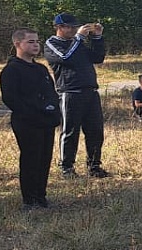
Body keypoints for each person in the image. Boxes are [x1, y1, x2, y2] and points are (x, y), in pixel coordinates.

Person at [0, 28, 61, 210]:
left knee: (44, 158)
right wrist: (31, 113)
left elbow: (51, 92)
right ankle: (29, 199)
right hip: (27, 122)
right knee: (30, 159)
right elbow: (10, 98)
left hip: (46, 121)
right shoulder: (11, 70)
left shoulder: (41, 69)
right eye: (30, 42)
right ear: (18, 44)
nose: (35, 45)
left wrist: (53, 110)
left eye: (37, 41)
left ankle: (41, 196)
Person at [43, 13, 109, 178]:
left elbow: (97, 58)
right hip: (70, 92)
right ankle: (67, 168)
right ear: (59, 27)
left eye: (74, 27)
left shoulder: (77, 44)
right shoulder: (52, 43)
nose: (73, 30)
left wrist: (97, 38)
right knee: (70, 131)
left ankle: (94, 166)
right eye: (69, 27)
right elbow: (66, 57)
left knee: (95, 131)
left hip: (90, 92)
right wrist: (79, 38)